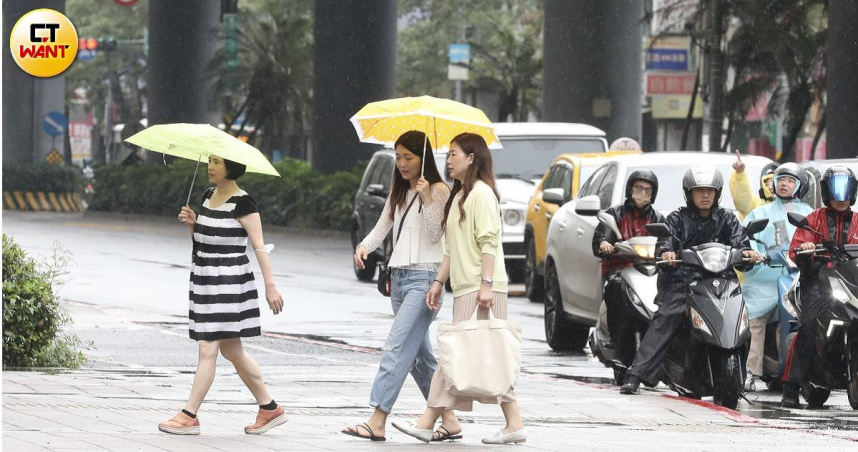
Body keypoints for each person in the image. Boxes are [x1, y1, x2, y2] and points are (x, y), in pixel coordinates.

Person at [392, 133, 526, 445]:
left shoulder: (482, 194)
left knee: (457, 355)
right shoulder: (460, 195)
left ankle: (428, 421)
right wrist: (439, 282)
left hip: (482, 287)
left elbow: (489, 241)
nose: (448, 160)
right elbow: (450, 249)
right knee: (481, 355)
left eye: (454, 154)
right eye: (448, 154)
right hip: (465, 286)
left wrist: (486, 285)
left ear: (472, 157)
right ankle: (513, 423)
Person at [342, 131, 459, 441]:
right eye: (398, 157)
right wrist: (364, 246)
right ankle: (449, 418)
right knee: (420, 358)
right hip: (399, 281)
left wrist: (428, 198)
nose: (402, 163)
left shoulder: (439, 190)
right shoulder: (398, 190)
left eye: (409, 157)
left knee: (396, 347)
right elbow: (384, 223)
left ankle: (377, 418)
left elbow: (437, 234)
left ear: (424, 159)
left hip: (425, 281)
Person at [159, 155, 286, 435]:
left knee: (208, 348)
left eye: (217, 162)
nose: (211, 167)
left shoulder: (244, 203)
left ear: (233, 167)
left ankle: (189, 415)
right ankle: (269, 408)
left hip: (229, 283)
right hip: (205, 280)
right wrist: (193, 223)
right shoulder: (207, 196)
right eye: (210, 162)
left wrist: (270, 286)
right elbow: (203, 242)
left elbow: (259, 247)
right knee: (232, 350)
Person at [620, 166, 760, 395]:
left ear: (717, 192)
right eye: (699, 190)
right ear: (689, 193)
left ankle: (739, 376)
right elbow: (665, 242)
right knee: (667, 317)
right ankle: (636, 374)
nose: (705, 195)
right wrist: (666, 252)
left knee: (740, 321)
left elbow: (741, 243)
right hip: (682, 282)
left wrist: (748, 253)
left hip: (721, 281)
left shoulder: (727, 218)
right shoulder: (676, 218)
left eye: (710, 190)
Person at [782, 166, 858, 408]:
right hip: (819, 282)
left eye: (846, 191)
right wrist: (805, 249)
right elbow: (797, 248)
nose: (841, 197)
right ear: (826, 193)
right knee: (808, 328)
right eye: (836, 191)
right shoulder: (814, 219)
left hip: (852, 282)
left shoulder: (857, 221)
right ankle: (791, 387)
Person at [741, 163, 813, 391]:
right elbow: (746, 240)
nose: (784, 184)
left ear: (800, 186)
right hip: (764, 279)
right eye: (780, 179)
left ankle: (803, 373)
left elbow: (818, 238)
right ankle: (750, 371)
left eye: (790, 181)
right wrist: (755, 254)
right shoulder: (759, 213)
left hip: (799, 278)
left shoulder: (810, 213)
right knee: (755, 322)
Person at [591, 170, 664, 348]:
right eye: (639, 188)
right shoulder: (615, 214)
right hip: (620, 268)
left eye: (648, 190)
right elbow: (602, 236)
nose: (643, 193)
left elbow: (667, 240)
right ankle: (615, 336)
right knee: (615, 287)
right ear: (630, 189)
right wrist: (605, 244)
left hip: (650, 269)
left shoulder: (658, 218)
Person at [730, 150, 779, 221]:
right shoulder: (756, 205)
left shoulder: (790, 207)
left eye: (775, 183)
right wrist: (740, 174)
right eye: (768, 184)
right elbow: (743, 199)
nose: (771, 187)